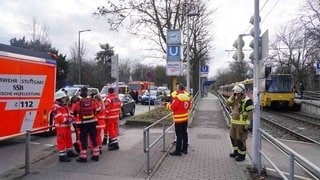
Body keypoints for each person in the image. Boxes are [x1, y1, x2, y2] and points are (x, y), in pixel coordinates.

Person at [70, 87, 99, 162]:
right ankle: (96, 155)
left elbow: (71, 113)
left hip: (82, 123)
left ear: (80, 92)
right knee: (93, 138)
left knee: (83, 140)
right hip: (92, 122)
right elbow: (98, 109)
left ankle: (83, 157)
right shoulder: (92, 100)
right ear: (87, 92)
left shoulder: (77, 102)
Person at [226, 83, 253, 161]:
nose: (236, 94)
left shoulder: (247, 101)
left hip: (241, 125)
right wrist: (232, 96)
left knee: (240, 140)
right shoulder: (234, 98)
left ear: (242, 92)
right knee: (233, 138)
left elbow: (250, 113)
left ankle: (242, 155)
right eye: (235, 92)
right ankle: (236, 152)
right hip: (233, 123)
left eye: (237, 92)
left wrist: (247, 125)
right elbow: (227, 104)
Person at [51, 91, 78, 162]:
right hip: (61, 127)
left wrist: (71, 118)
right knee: (61, 141)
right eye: (63, 97)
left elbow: (70, 114)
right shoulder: (55, 107)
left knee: (69, 139)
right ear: (59, 98)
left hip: (67, 126)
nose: (65, 99)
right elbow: (59, 117)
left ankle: (69, 152)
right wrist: (68, 120)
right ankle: (62, 156)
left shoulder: (63, 105)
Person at [165, 83, 191, 156]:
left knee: (179, 135)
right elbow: (189, 106)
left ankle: (178, 151)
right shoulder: (187, 96)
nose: (176, 89)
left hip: (178, 119)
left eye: (177, 87)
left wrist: (166, 105)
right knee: (184, 133)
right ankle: (184, 149)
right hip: (185, 117)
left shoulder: (178, 97)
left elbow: (173, 107)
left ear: (179, 89)